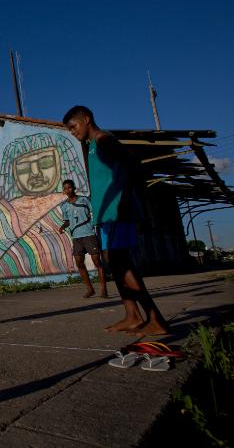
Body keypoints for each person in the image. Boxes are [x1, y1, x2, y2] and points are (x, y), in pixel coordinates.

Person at [63, 106, 169, 336]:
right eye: (69, 129)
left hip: (117, 212)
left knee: (122, 262)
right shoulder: (92, 145)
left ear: (86, 119)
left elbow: (132, 164)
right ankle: (132, 315)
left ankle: (155, 319)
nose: (72, 132)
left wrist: (125, 201)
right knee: (113, 262)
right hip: (106, 216)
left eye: (73, 126)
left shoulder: (103, 140)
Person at [57, 179, 108, 299]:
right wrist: (62, 227)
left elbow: (94, 212)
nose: (68, 190)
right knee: (79, 263)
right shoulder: (64, 206)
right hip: (76, 237)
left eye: (70, 187)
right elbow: (67, 221)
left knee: (97, 261)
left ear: (74, 188)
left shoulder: (84, 200)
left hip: (89, 234)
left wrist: (96, 223)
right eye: (65, 188)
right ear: (63, 191)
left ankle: (104, 289)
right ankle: (90, 289)